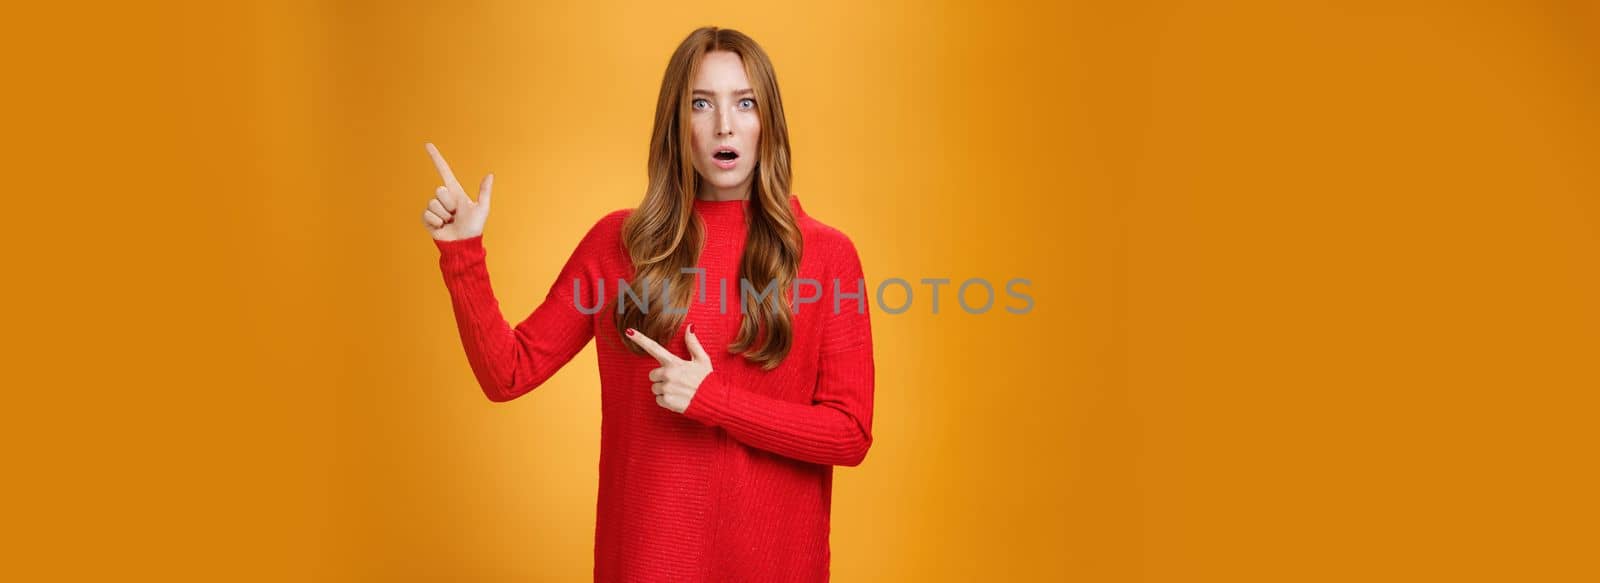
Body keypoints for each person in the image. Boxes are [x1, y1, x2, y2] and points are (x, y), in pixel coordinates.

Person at [419, 26, 875, 582]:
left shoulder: (827, 256)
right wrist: (462, 254)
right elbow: (507, 374)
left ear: (768, 122)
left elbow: (849, 434)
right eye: (701, 104)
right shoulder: (618, 246)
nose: (724, 125)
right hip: (645, 566)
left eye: (745, 103)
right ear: (675, 124)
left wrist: (715, 401)